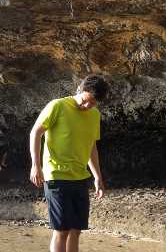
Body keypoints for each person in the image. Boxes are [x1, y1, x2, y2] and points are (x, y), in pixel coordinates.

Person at [29, 75, 109, 252]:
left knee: (76, 230)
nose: (87, 106)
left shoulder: (94, 115)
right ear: (80, 90)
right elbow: (36, 132)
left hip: (80, 178)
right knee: (62, 230)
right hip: (56, 176)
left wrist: (98, 177)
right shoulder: (57, 106)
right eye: (86, 101)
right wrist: (36, 165)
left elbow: (92, 147)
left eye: (93, 103)